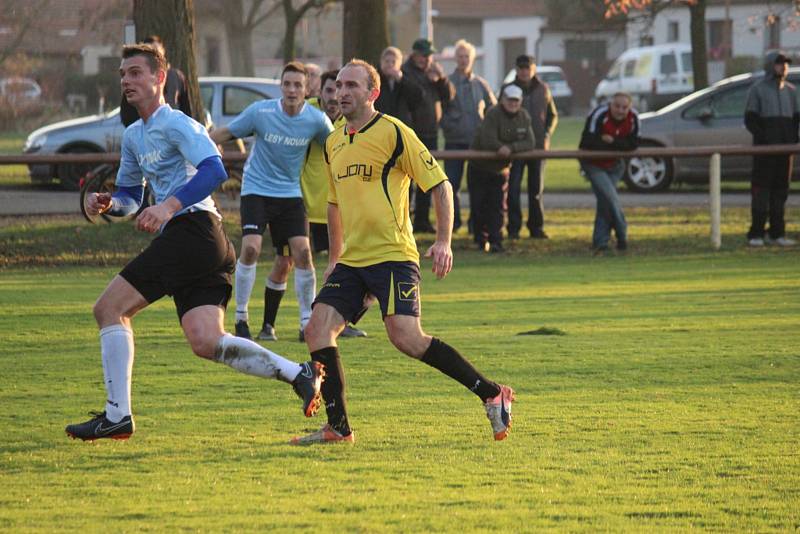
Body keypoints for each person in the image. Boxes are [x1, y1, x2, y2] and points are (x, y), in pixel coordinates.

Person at [65, 44, 324, 442]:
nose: (126, 81)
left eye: (135, 73)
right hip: (199, 242)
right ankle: (298, 373)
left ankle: (117, 416)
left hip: (195, 231)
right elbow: (132, 199)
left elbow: (214, 168)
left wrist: (167, 207)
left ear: (159, 78)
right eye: (122, 74)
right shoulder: (134, 135)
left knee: (108, 309)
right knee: (206, 341)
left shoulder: (179, 124)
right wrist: (109, 203)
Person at [291, 59, 514, 445]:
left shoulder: (394, 132)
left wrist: (443, 240)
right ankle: (338, 428)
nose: (341, 93)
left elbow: (440, 186)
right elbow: (334, 204)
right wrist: (333, 259)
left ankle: (492, 393)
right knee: (317, 329)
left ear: (372, 93)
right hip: (352, 260)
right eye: (339, 85)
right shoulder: (333, 140)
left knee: (407, 338)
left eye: (351, 86)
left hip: (393, 255)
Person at [210, 62, 333, 343]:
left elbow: (337, 147)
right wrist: (200, 147)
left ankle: (307, 322)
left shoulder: (316, 120)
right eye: (287, 84)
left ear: (306, 89)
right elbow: (227, 132)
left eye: (298, 85)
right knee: (251, 248)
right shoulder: (261, 112)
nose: (292, 90)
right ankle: (241, 318)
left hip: (290, 194)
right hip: (257, 190)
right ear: (281, 86)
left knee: (302, 253)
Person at [301, 69, 367, 339]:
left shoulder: (352, 124)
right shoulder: (307, 117)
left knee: (348, 268)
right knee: (293, 264)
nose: (335, 96)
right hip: (305, 205)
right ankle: (279, 324)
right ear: (320, 92)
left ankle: (339, 322)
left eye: (340, 89)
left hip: (339, 211)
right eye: (330, 89)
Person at [468, 85, 534, 253]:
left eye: (516, 100)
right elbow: (486, 140)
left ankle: (496, 241)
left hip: (500, 170)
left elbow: (530, 142)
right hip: (480, 168)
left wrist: (510, 148)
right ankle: (480, 239)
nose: (513, 103)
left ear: (520, 102)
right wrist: (502, 148)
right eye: (510, 100)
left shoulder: (524, 117)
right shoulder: (493, 114)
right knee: (479, 205)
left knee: (497, 206)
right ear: (503, 100)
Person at [440, 39, 496, 232]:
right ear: (455, 58)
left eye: (467, 57)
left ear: (472, 59)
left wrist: (485, 129)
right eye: (460, 56)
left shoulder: (481, 84)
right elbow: (440, 110)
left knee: (477, 188)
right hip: (454, 142)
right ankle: (453, 224)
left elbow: (493, 109)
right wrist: (449, 126)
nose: (464, 60)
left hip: (476, 145)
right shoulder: (447, 83)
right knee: (451, 186)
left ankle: (475, 225)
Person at [744, 51, 798, 247]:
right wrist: (765, 140)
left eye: (784, 63)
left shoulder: (791, 92)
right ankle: (756, 233)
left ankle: (777, 233)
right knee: (761, 192)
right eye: (778, 63)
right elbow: (750, 120)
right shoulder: (757, 90)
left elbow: (795, 120)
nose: (782, 67)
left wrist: (792, 141)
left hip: (785, 153)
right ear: (770, 66)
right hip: (765, 152)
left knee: (780, 192)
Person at [502, 54, 558, 240]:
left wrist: (547, 133)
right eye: (521, 68)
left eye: (528, 68)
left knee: (536, 190)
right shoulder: (508, 89)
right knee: (514, 189)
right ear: (517, 69)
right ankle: (514, 228)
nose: (525, 71)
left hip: (538, 147)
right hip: (515, 148)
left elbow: (552, 115)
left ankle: (536, 227)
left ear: (533, 69)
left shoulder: (543, 89)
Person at [402, 38, 455, 233]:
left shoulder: (433, 72)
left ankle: (422, 220)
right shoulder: (405, 72)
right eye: (424, 55)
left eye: (430, 56)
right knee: (406, 180)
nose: (427, 59)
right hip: (411, 131)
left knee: (427, 178)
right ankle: (405, 218)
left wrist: (441, 80)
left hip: (430, 132)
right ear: (414, 54)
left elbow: (449, 96)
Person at [579, 92, 639, 254]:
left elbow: (632, 145)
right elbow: (587, 142)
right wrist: (618, 145)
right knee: (612, 200)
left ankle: (600, 242)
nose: (620, 110)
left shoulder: (634, 118)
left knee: (606, 202)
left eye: (624, 107)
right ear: (610, 105)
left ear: (630, 108)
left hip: (615, 166)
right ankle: (622, 236)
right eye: (617, 106)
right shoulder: (598, 115)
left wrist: (612, 141)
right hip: (593, 165)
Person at [119, 35, 190, 127]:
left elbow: (187, 110)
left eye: (156, 51)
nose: (125, 81)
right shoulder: (132, 134)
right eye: (123, 74)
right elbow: (126, 115)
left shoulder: (177, 77)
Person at [374, 46, 423, 127]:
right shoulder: (375, 79)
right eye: (387, 61)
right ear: (381, 62)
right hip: (380, 125)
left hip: (401, 126)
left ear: (399, 64)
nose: (390, 65)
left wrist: (401, 80)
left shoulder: (406, 76)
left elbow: (418, 96)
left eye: (393, 62)